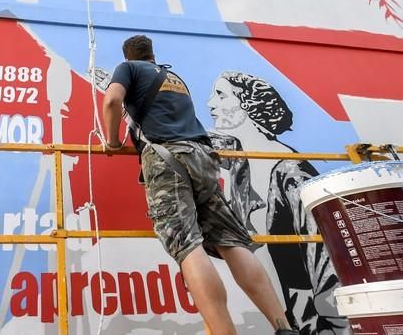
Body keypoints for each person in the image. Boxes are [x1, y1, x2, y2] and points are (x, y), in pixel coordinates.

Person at [102, 35, 297, 335]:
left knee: (187, 246)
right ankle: (283, 326)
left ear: (128, 57)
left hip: (168, 160)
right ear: (153, 55)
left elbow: (112, 100)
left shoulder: (129, 69)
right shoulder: (174, 78)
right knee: (232, 241)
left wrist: (113, 142)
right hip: (203, 158)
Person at [207, 71, 346, 334]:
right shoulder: (240, 161)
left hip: (319, 324)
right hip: (293, 320)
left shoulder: (291, 173)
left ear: (246, 104)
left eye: (221, 95)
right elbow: (186, 134)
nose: (210, 103)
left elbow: (325, 263)